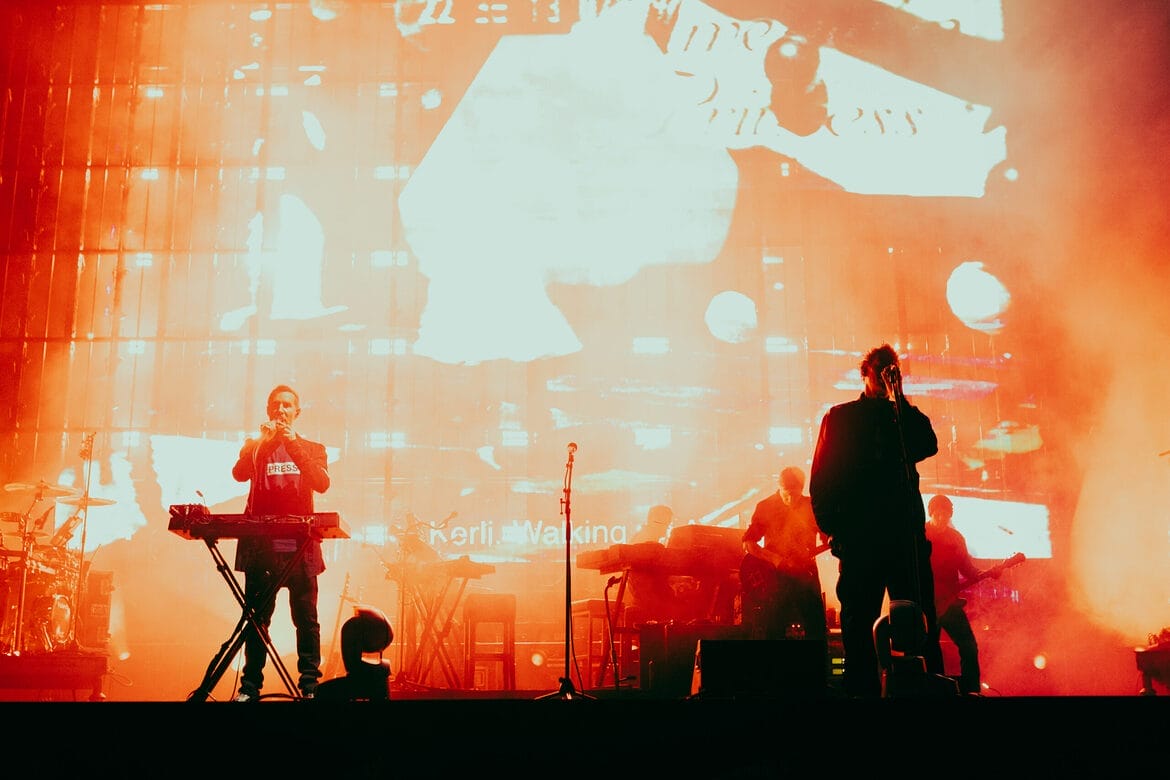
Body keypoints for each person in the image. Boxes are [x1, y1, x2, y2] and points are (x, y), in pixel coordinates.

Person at [808, 344, 944, 698]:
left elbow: (928, 444)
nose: (886, 375)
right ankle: (862, 695)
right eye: (880, 370)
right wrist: (835, 530)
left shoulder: (900, 417)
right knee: (859, 624)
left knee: (918, 620)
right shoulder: (841, 417)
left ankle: (925, 690)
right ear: (864, 373)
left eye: (893, 369)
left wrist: (900, 397)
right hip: (861, 541)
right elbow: (822, 478)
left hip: (905, 540)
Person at [231, 384, 331, 701]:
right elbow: (239, 474)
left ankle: (310, 686)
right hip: (261, 548)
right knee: (257, 620)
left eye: (287, 405)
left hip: (299, 546)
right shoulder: (255, 446)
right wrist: (264, 442)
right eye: (275, 405)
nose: (281, 410)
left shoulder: (313, 448)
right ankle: (250, 689)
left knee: (306, 620)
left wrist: (292, 445)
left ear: (297, 412)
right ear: (268, 410)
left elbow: (322, 483)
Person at [740, 466, 828, 645]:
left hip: (806, 572)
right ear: (779, 487)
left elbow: (827, 538)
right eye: (787, 494)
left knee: (816, 627)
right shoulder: (766, 506)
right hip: (775, 576)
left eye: (796, 494)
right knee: (773, 627)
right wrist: (776, 560)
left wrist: (831, 540)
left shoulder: (812, 505)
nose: (792, 500)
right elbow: (748, 543)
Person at [925, 494, 996, 696]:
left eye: (946, 513)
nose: (942, 517)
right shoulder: (920, 534)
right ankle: (933, 692)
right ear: (931, 512)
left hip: (949, 603)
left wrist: (988, 573)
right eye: (939, 512)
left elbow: (967, 569)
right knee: (931, 651)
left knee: (969, 646)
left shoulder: (956, 538)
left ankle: (971, 691)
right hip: (927, 604)